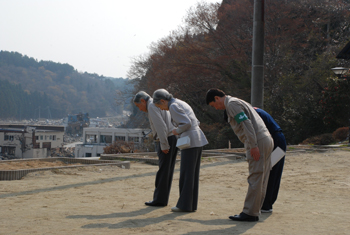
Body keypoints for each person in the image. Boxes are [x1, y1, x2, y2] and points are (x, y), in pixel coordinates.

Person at [206, 88, 273, 222]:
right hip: (265, 138)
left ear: (217, 98)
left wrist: (253, 145)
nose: (217, 108)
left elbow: (245, 123)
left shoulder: (231, 104)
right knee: (262, 178)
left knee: (255, 176)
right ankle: (255, 210)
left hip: (257, 141)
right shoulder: (238, 101)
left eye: (214, 105)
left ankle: (250, 213)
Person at [153, 89, 208, 212]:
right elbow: (195, 121)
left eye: (160, 105)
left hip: (190, 140)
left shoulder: (173, 106)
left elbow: (186, 123)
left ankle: (184, 205)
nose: (161, 109)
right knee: (192, 174)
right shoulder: (180, 102)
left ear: (163, 101)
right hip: (197, 138)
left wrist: (176, 131)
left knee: (186, 174)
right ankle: (190, 204)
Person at [133, 91, 178, 207]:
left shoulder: (152, 106)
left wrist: (163, 144)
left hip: (166, 138)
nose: (140, 109)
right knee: (167, 170)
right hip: (173, 137)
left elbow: (160, 126)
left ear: (143, 101)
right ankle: (162, 199)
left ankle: (159, 199)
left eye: (139, 106)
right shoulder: (156, 104)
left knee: (163, 171)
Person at [254, 107, 287, 213]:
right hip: (278, 139)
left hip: (275, 140)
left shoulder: (253, 113)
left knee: (270, 172)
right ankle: (267, 203)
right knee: (272, 172)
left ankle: (266, 204)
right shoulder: (256, 110)